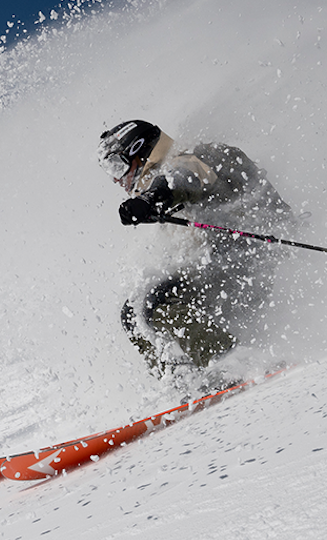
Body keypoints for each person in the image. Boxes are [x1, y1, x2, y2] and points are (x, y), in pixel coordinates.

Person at [98, 120, 294, 381]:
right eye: (108, 170)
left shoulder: (197, 156)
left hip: (262, 263)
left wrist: (151, 198)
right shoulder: (166, 178)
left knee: (157, 300)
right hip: (229, 270)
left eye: (117, 165)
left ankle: (232, 363)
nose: (115, 178)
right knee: (133, 311)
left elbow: (184, 178)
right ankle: (181, 378)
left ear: (140, 150)